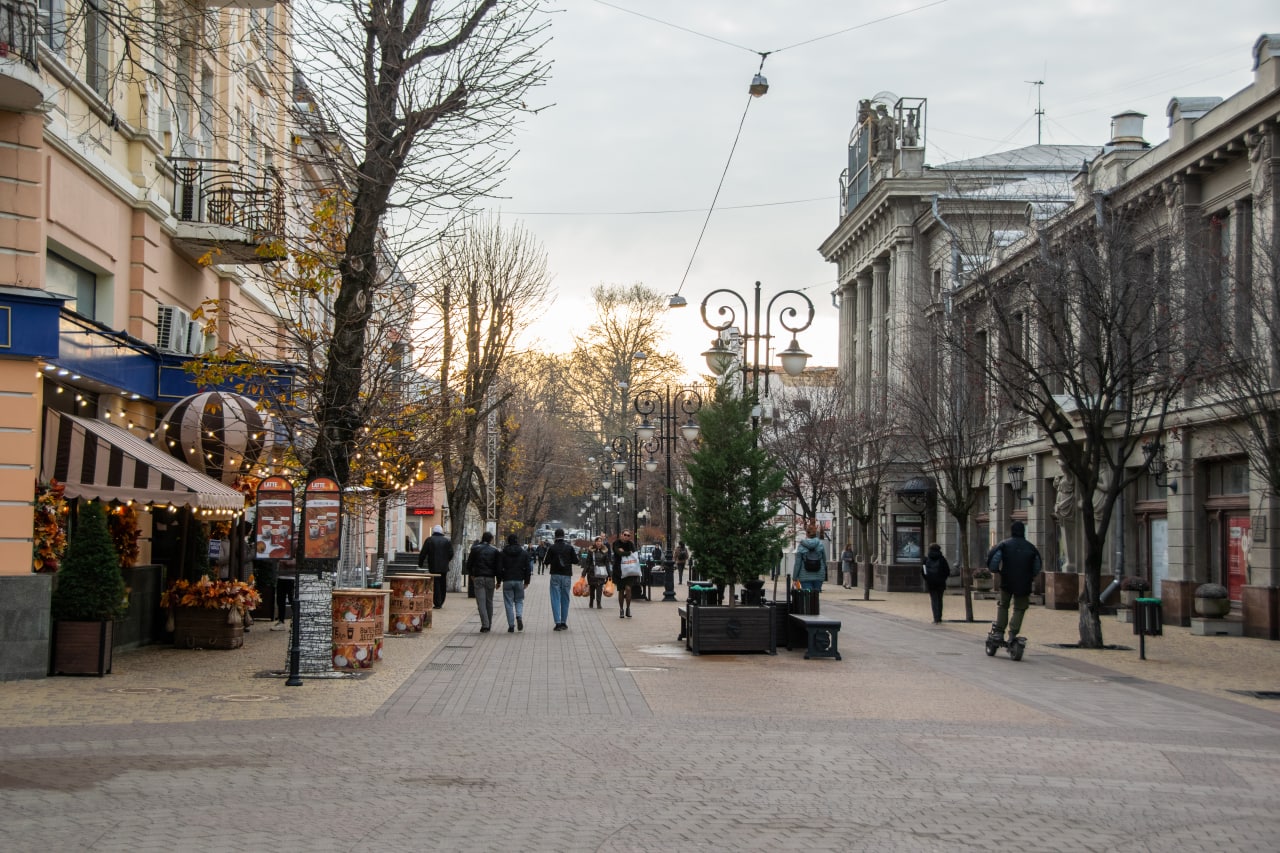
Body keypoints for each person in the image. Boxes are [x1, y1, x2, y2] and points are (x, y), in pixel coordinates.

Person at [986, 521, 1043, 643]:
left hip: (1007, 580)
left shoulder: (1005, 545)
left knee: (1003, 605)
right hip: (1024, 583)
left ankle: (999, 632)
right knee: (1020, 608)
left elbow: (994, 561)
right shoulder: (1031, 548)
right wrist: (1030, 575)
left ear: (1012, 531)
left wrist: (996, 571)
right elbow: (1037, 567)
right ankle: (1013, 633)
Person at [545, 528, 579, 631]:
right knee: (565, 598)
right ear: (564, 536)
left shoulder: (552, 548)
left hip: (555, 575)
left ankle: (557, 623)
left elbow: (546, 561)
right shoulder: (569, 548)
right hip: (566, 575)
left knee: (555, 598)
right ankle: (564, 622)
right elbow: (576, 561)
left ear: (555, 536)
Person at [466, 531, 500, 633]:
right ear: (491, 539)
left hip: (478, 577)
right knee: (489, 602)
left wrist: (472, 574)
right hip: (490, 578)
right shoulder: (495, 551)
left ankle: (485, 624)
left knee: (481, 602)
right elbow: (498, 567)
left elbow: (469, 564)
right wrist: (498, 580)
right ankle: (488, 624)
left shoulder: (475, 549)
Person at [498, 533, 531, 632]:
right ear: (517, 541)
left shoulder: (503, 553)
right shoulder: (524, 553)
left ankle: (511, 625)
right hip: (519, 580)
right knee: (519, 600)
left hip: (507, 580)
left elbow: (499, 568)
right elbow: (528, 569)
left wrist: (499, 581)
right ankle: (519, 616)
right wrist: (527, 581)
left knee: (508, 603)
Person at [419, 524, 453, 610]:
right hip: (444, 567)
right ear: (441, 532)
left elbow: (423, 553)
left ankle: (437, 602)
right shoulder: (447, 541)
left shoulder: (429, 540)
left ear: (434, 532)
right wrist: (446, 561)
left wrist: (420, 563)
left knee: (435, 584)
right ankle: (441, 600)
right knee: (442, 583)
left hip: (433, 566)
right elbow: (451, 553)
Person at [611, 529, 638, 618]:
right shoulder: (616, 543)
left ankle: (628, 608)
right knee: (621, 590)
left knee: (628, 588)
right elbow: (618, 553)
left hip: (630, 570)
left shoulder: (630, 544)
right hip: (619, 571)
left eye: (628, 535)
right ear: (621, 535)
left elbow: (634, 554)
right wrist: (627, 552)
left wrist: (625, 552)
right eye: (625, 535)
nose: (626, 537)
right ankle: (621, 609)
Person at [922, 542, 951, 623]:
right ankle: (939, 616)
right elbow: (947, 571)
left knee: (934, 600)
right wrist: (943, 578)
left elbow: (923, 572)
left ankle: (935, 618)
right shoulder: (942, 559)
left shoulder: (926, 559)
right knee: (940, 599)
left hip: (931, 583)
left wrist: (927, 579)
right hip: (940, 583)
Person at [793, 524, 827, 592]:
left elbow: (798, 563)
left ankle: (808, 602)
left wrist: (795, 577)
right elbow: (824, 560)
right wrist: (824, 572)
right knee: (815, 597)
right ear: (815, 534)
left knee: (807, 596)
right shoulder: (820, 544)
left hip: (805, 575)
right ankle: (815, 602)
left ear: (807, 534)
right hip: (819, 574)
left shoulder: (801, 546)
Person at [582, 535, 611, 609]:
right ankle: (591, 601)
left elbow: (607, 563)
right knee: (592, 588)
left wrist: (609, 574)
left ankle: (599, 603)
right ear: (595, 542)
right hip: (592, 572)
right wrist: (584, 573)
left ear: (602, 542)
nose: (599, 543)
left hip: (601, 572)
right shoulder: (591, 551)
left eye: (600, 541)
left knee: (599, 587)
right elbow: (587, 562)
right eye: (597, 541)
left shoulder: (605, 551)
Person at [271, 559, 296, 631]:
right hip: (281, 577)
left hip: (292, 578)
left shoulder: (295, 550)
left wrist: (284, 561)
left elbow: (291, 563)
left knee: (292, 600)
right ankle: (281, 622)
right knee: (280, 601)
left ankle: (295, 622)